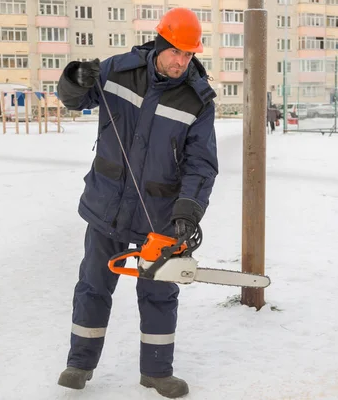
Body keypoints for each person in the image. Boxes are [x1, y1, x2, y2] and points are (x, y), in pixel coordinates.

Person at [55, 7, 218, 399]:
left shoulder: (198, 100)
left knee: (159, 291)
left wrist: (188, 212)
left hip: (160, 215)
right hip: (107, 203)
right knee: (93, 285)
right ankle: (79, 365)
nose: (181, 61)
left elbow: (201, 165)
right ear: (160, 43)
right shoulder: (118, 70)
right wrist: (75, 78)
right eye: (175, 51)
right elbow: (76, 99)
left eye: (188, 54)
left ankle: (157, 372)